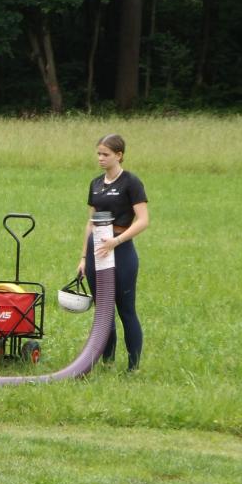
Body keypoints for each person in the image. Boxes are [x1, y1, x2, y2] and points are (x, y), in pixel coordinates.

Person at [76, 133, 149, 370]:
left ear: (119, 155)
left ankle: (133, 366)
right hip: (96, 250)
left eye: (105, 154)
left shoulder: (131, 182)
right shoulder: (95, 184)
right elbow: (90, 222)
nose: (100, 158)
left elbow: (143, 220)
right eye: (98, 154)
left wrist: (116, 241)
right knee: (103, 311)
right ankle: (107, 363)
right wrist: (83, 258)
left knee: (126, 309)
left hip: (121, 250)